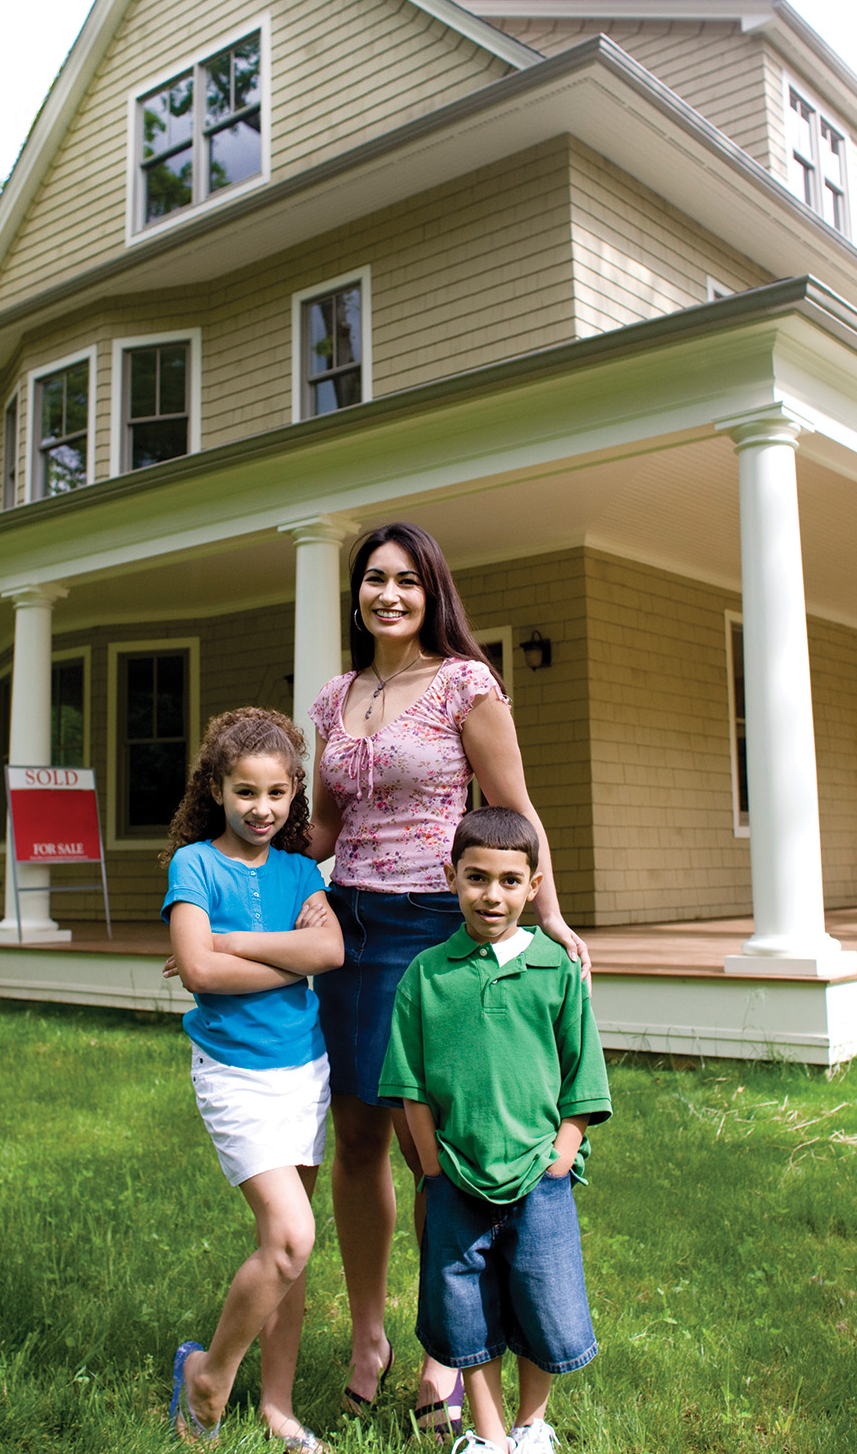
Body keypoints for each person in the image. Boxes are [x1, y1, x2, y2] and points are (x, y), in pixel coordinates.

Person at [308, 521, 590, 1437]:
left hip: (437, 934)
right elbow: (317, 833)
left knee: (432, 1148)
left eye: (406, 581)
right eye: (373, 580)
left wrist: (548, 913)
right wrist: (228, 878)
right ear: (356, 594)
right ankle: (367, 1338)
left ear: (432, 592)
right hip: (349, 926)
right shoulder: (331, 700)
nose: (388, 595)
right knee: (355, 1136)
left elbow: (512, 809)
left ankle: (448, 1347)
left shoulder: (467, 684)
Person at [379, 805, 612, 1454]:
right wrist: (432, 1169)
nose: (492, 895)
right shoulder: (427, 976)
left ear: (534, 886)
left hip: (541, 1177)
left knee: (544, 1303)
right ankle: (488, 1437)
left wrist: (561, 1156)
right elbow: (411, 1087)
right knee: (466, 1315)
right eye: (477, 877)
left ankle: (531, 1426)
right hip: (456, 1179)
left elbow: (583, 1080)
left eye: (511, 881)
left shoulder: (555, 972)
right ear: (452, 877)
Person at [160, 708, 344, 1449]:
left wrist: (235, 942)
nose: (260, 809)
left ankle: (277, 1406)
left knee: (286, 1253)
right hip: (235, 1074)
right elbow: (198, 971)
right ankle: (209, 1374)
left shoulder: (303, 870)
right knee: (293, 1237)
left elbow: (330, 956)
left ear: (294, 791)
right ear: (215, 788)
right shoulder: (194, 866)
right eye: (244, 792)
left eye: (275, 794)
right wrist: (288, 950)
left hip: (305, 1069)